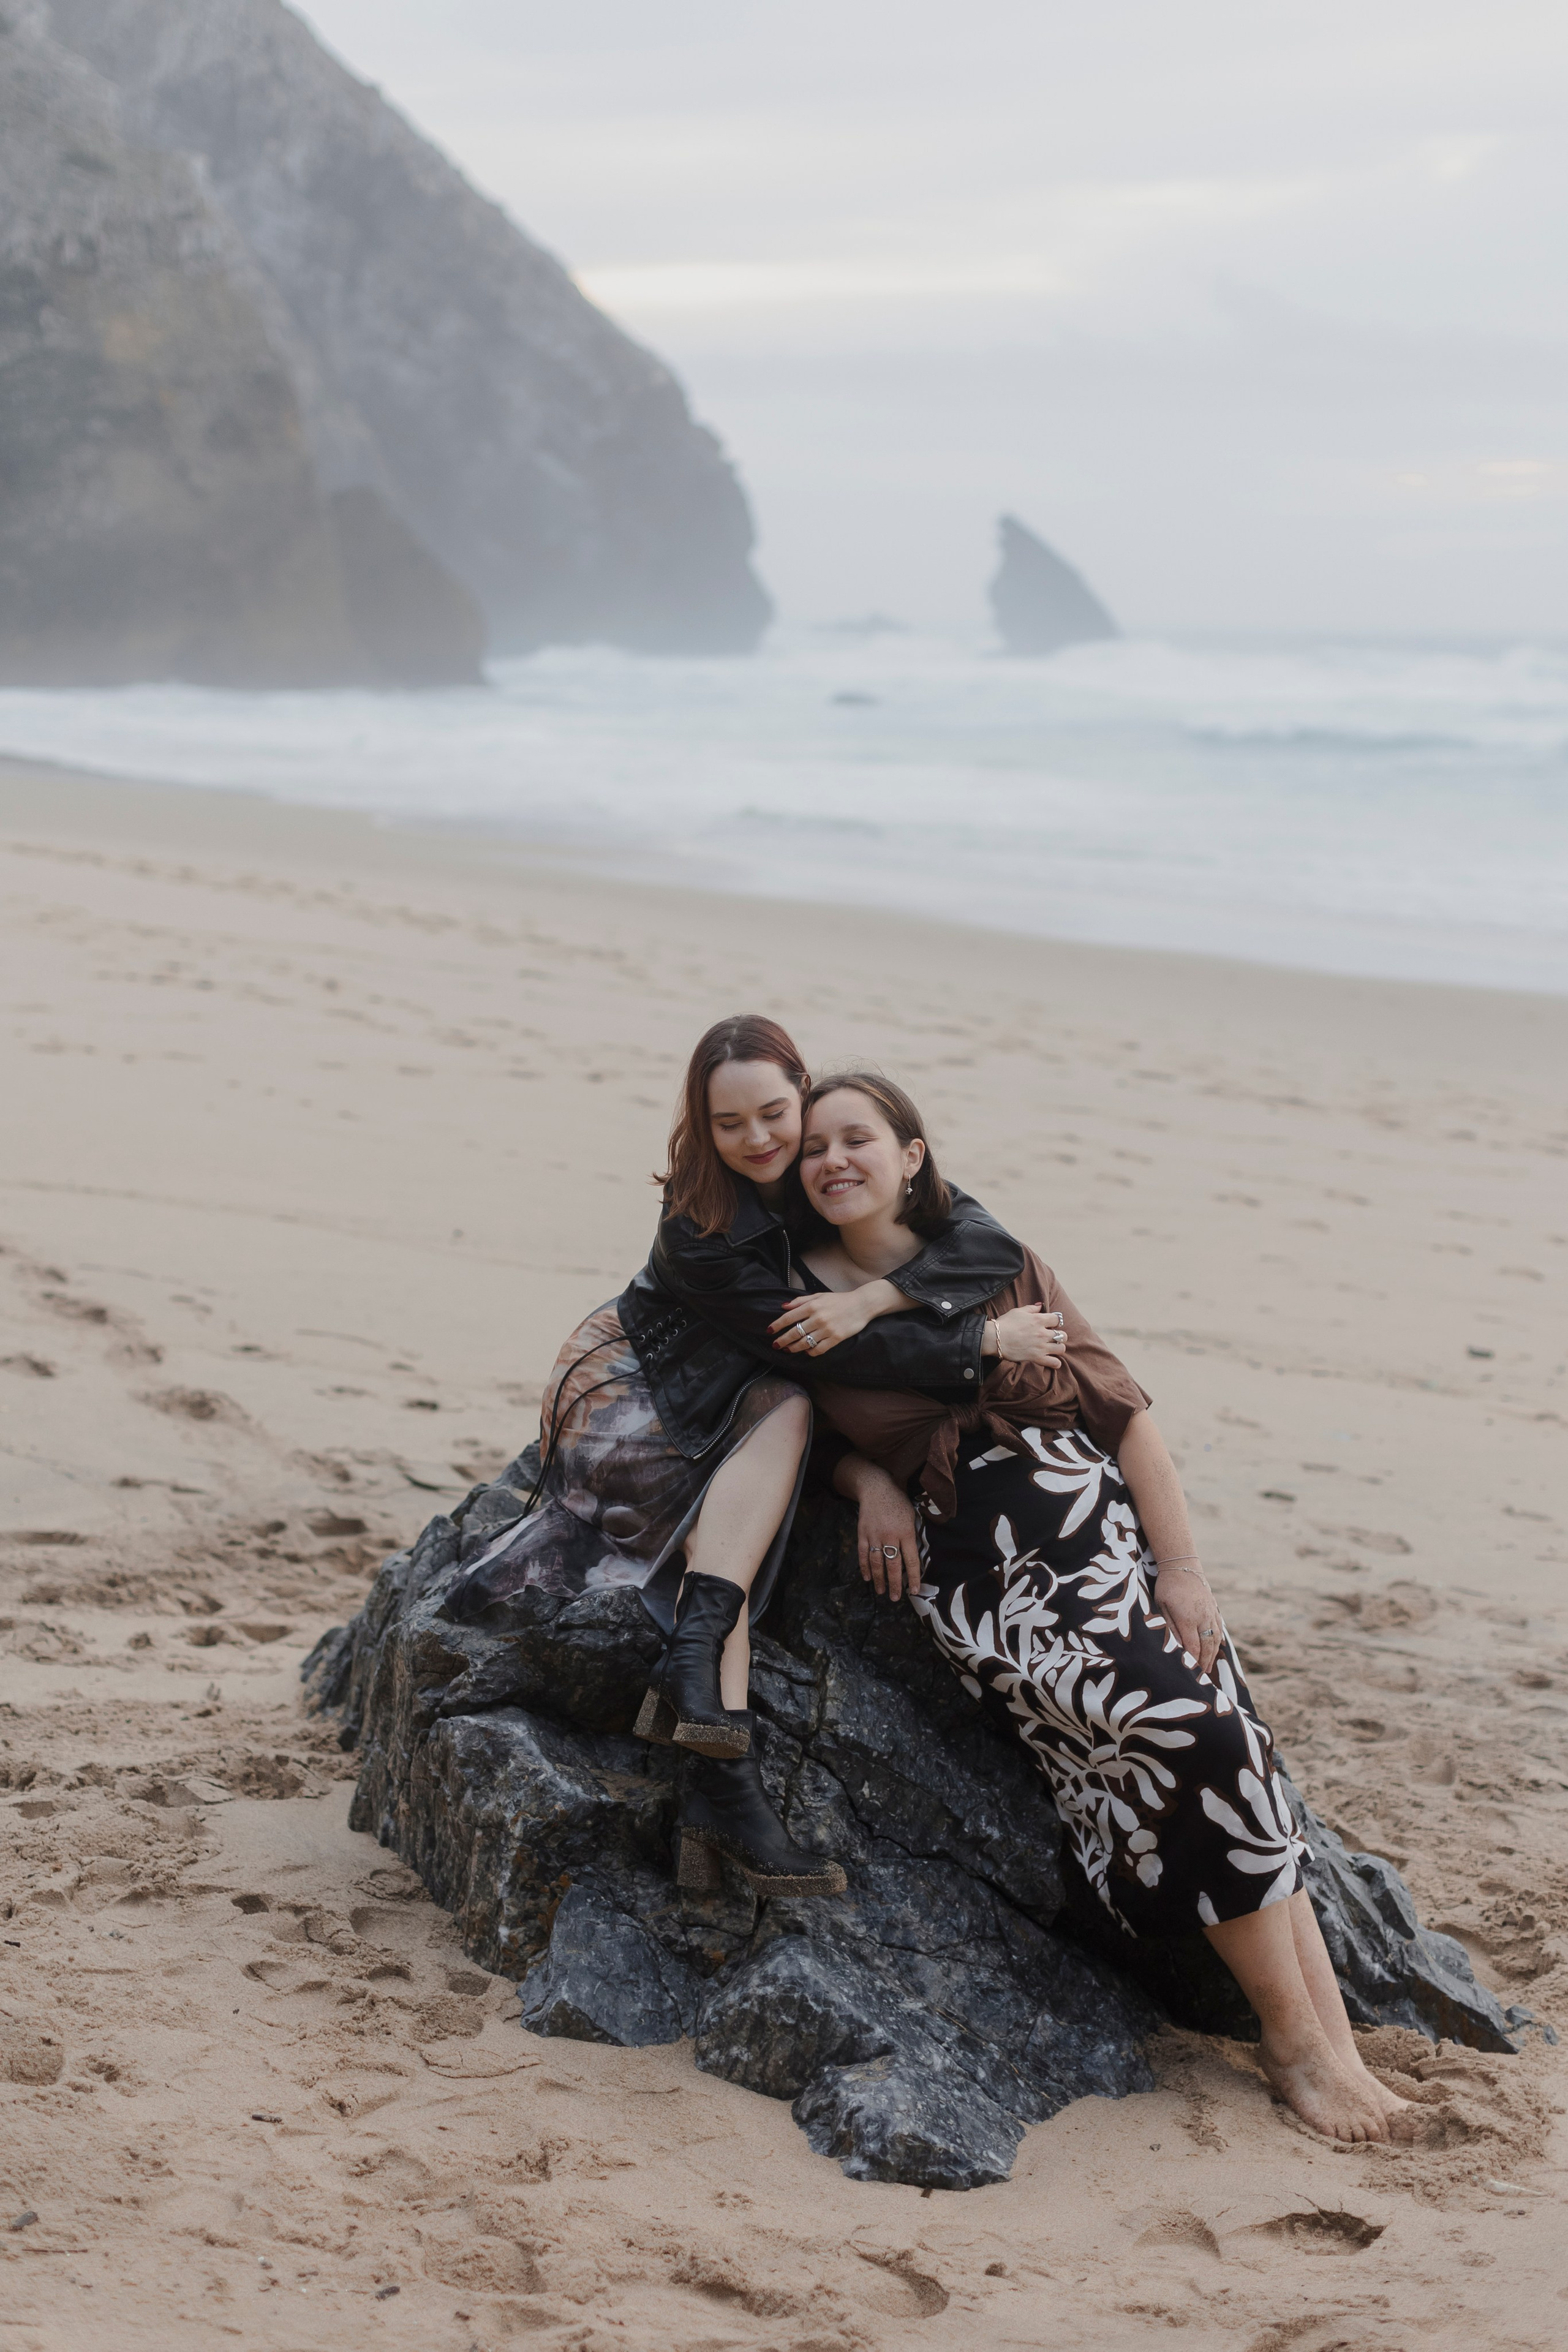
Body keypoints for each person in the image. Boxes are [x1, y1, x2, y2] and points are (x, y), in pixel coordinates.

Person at [771, 1069, 1409, 2147]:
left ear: (911, 1155)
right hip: (990, 1583)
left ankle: (1327, 2045)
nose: (834, 1160)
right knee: (1191, 1733)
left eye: (858, 1139)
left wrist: (1184, 1569)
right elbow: (806, 1431)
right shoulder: (798, 1299)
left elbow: (1128, 1417)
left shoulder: (997, 1260)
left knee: (1232, 1738)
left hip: (1107, 1546)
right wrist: (870, 1481)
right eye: (814, 1147)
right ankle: (1294, 2044)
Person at [442, 1016, 1054, 1900]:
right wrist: (982, 1341)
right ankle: (720, 1761)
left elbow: (990, 1242)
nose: (758, 1140)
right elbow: (823, 1357)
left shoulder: (824, 1167)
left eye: (773, 1113)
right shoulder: (700, 1223)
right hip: (639, 1389)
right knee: (780, 1429)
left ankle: (712, 1783)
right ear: (703, 1123)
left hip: (747, 1394)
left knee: (759, 1475)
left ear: (801, 1090)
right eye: (731, 1125)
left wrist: (872, 1297)